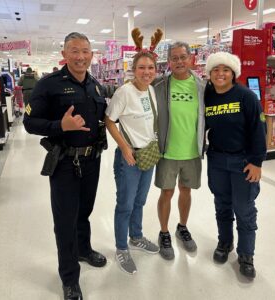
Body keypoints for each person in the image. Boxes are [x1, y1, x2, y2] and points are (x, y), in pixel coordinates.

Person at [23, 32, 108, 300]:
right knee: (65, 220)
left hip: (92, 160)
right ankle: (69, 278)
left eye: (85, 50)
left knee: (84, 211)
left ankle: (83, 249)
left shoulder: (96, 85)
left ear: (92, 55)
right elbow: (29, 123)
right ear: (64, 54)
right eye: (74, 50)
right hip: (65, 164)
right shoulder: (48, 85)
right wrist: (60, 125)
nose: (80, 56)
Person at [105, 28, 162, 275]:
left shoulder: (150, 89)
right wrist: (124, 146)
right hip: (129, 158)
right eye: (142, 68)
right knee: (125, 204)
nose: (147, 72)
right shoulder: (124, 92)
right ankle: (121, 248)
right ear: (133, 69)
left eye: (150, 68)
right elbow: (108, 120)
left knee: (140, 200)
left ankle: (136, 237)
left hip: (148, 155)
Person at [204, 52, 267, 279]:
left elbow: (259, 131)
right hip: (217, 160)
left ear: (233, 73)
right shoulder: (208, 96)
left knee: (244, 208)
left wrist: (257, 162)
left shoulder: (246, 96)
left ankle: (246, 254)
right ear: (209, 74)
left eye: (226, 70)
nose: (221, 74)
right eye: (216, 70)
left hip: (243, 162)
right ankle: (225, 242)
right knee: (222, 204)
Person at [152, 42, 205, 260]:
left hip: (192, 152)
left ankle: (182, 227)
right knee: (166, 192)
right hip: (167, 152)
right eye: (174, 58)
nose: (179, 61)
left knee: (186, 190)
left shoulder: (202, 86)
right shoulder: (159, 85)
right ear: (169, 62)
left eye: (183, 57)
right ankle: (164, 232)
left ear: (191, 58)